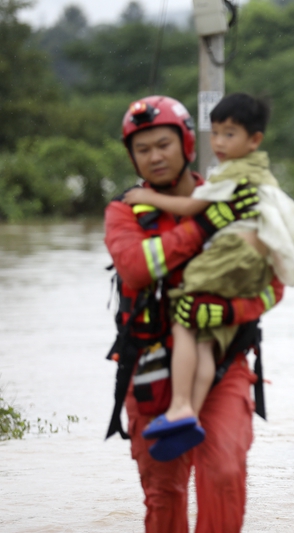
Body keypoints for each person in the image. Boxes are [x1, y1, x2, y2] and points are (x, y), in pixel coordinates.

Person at [105, 95, 283, 532]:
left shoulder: (235, 196)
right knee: (164, 492)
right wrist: (204, 225)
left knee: (224, 471)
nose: (154, 156)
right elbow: (135, 267)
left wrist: (226, 308)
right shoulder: (125, 211)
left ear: (185, 143)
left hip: (225, 362)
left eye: (163, 144)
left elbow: (273, 283)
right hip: (149, 369)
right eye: (142, 149)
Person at [121, 93, 294, 460]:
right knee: (204, 338)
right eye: (215, 133)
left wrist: (145, 197)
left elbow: (190, 207)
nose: (219, 143)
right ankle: (188, 411)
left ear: (254, 140)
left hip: (228, 259)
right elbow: (134, 266)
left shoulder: (232, 175)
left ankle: (183, 405)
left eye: (229, 134)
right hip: (248, 267)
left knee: (184, 318)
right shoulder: (258, 173)